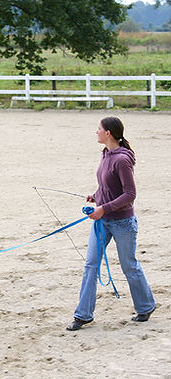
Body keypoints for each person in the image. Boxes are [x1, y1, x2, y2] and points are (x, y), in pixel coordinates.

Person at [67, 116, 156, 331]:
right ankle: (83, 315)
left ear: (108, 133)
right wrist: (96, 195)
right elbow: (108, 185)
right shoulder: (106, 154)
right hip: (102, 221)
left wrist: (103, 208)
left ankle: (145, 306)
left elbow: (129, 194)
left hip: (122, 222)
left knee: (129, 266)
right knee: (90, 265)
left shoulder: (122, 159)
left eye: (98, 129)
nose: (95, 132)